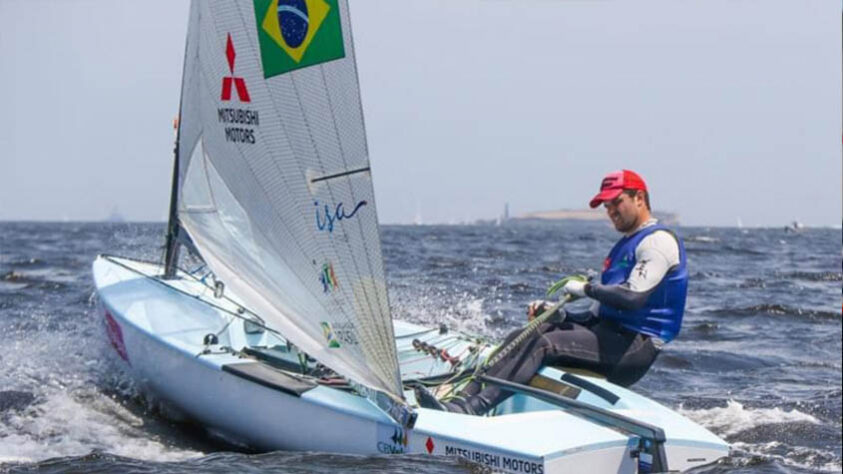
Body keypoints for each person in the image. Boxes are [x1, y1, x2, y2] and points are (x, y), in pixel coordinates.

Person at [417, 169, 688, 415]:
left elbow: (631, 298)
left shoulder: (658, 242)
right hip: (608, 335)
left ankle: (472, 409)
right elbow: (594, 315)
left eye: (616, 202)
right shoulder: (624, 246)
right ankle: (459, 399)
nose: (611, 211)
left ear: (639, 198)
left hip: (634, 348)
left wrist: (587, 288)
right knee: (526, 333)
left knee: (546, 344)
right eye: (607, 206)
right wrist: (559, 314)